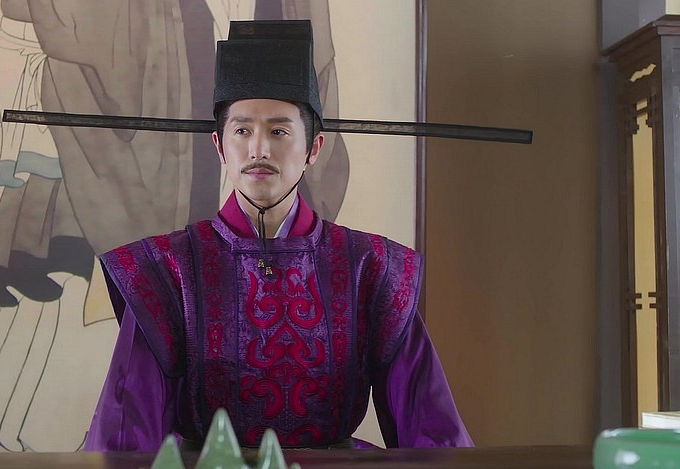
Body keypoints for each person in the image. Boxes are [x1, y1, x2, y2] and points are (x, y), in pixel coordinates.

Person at [85, 20, 473, 451]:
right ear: (219, 145)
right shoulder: (167, 270)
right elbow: (124, 434)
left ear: (314, 148)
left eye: (279, 131)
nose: (259, 149)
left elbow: (432, 430)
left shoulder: (371, 267)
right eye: (242, 131)